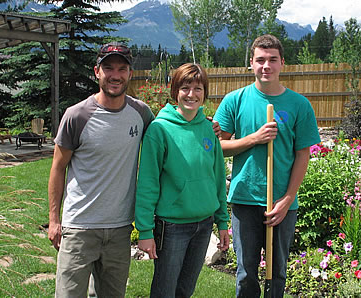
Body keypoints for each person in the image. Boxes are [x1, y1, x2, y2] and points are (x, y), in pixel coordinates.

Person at [214, 34, 321, 297]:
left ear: (282, 63)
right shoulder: (234, 100)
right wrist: (254, 139)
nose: (266, 66)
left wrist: (287, 199)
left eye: (272, 60)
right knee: (245, 274)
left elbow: (303, 155)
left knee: (278, 273)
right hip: (244, 199)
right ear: (251, 63)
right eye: (260, 60)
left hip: (282, 204)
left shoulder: (299, 105)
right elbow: (217, 149)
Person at [47, 42, 155, 297]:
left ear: (130, 73)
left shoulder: (141, 114)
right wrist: (54, 220)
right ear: (97, 72)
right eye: (108, 68)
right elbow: (57, 168)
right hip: (79, 229)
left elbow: (168, 134)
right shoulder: (77, 116)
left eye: (121, 68)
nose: (115, 75)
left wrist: (202, 124)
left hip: (120, 230)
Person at [135, 63, 230, 298]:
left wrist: (222, 221)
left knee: (185, 290)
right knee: (165, 291)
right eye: (185, 88)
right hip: (172, 226)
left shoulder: (209, 128)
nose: (191, 94)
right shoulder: (160, 130)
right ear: (175, 92)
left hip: (204, 224)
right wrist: (145, 231)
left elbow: (217, 177)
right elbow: (147, 183)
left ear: (204, 93)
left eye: (198, 88)